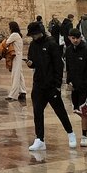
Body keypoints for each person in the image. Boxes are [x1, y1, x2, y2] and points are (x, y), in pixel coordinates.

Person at [25, 21, 76, 151]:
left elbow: (59, 65)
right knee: (37, 111)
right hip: (38, 84)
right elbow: (32, 61)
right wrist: (30, 64)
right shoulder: (32, 45)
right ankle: (40, 139)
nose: (33, 37)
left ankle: (70, 133)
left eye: (35, 34)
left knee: (60, 110)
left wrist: (57, 85)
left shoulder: (51, 44)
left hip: (51, 84)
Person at [3, 20, 27, 101]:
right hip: (18, 56)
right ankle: (22, 91)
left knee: (15, 75)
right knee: (19, 74)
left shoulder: (14, 35)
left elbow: (6, 43)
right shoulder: (18, 35)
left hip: (16, 57)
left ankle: (13, 95)